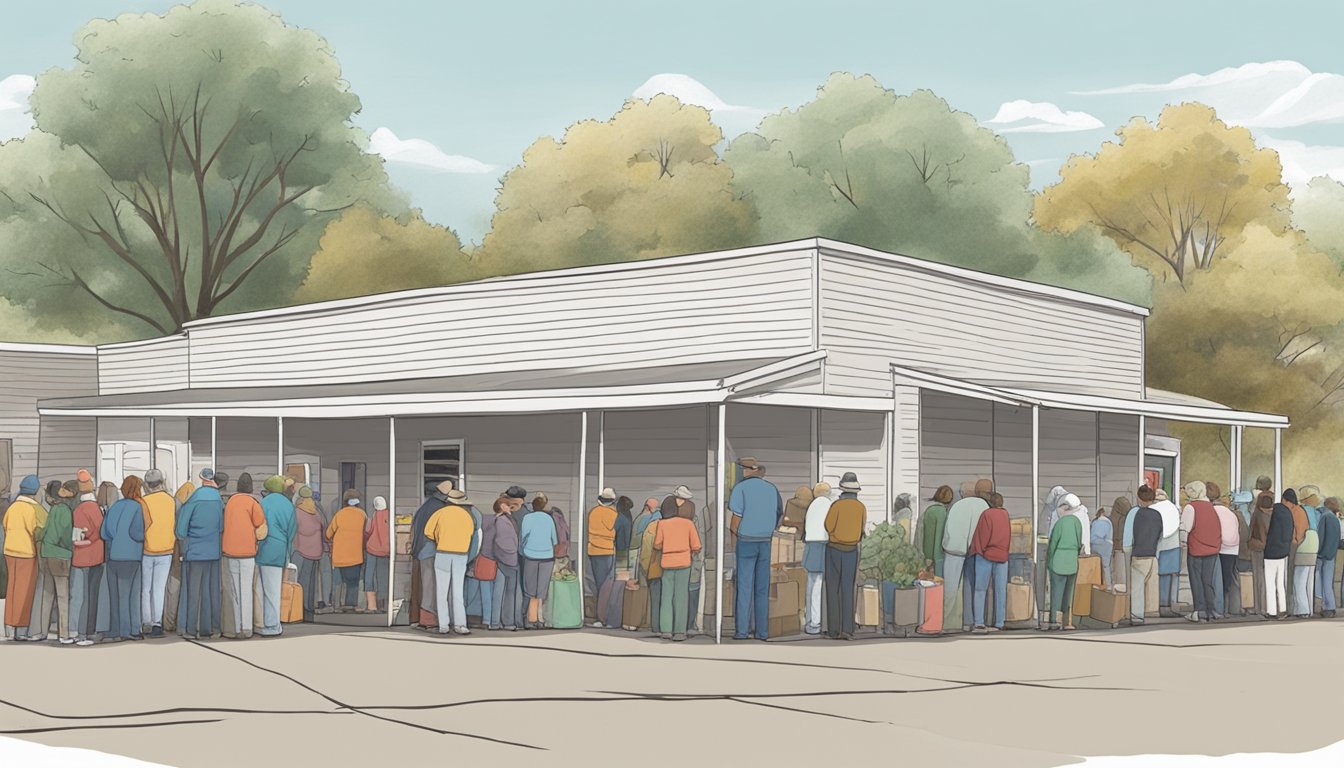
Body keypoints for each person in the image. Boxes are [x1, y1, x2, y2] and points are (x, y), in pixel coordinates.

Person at [728, 457, 782, 641]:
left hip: (746, 541)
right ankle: (762, 632)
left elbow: (734, 522)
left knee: (744, 588)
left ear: (745, 470)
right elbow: (778, 514)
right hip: (765, 541)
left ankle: (742, 631)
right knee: (762, 588)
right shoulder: (772, 489)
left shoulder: (740, 489)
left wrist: (735, 539)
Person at [176, 470, 225, 639]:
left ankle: (191, 629)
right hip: (214, 551)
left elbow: (181, 530)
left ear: (201, 479)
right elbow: (221, 526)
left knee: (193, 591)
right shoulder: (218, 499)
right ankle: (212, 628)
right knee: (211, 591)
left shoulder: (195, 497)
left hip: (195, 552)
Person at [222, 472, 267, 638]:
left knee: (234, 591)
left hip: (230, 551)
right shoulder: (252, 503)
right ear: (251, 487)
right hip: (247, 552)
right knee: (246, 590)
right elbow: (261, 528)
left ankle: (236, 627)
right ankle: (247, 628)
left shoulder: (230, 502)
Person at [425, 488, 476, 635]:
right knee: (457, 591)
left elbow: (428, 531)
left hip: (443, 553)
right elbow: (471, 534)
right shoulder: (467, 516)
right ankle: (460, 625)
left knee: (442, 591)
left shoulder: (440, 513)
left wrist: (439, 537)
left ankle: (444, 625)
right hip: (461, 555)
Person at [102, 475, 146, 642]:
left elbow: (104, 532)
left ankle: (116, 629)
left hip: (113, 556)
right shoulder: (136, 507)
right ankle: (131, 629)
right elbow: (137, 533)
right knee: (132, 595)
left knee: (115, 595)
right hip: (131, 556)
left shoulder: (114, 507)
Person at [944, 479, 992, 631]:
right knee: (972, 586)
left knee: (951, 588)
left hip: (954, 550)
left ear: (963, 493)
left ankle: (950, 623)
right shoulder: (983, 506)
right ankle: (969, 620)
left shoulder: (956, 506)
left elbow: (949, 529)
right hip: (975, 551)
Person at [823, 473, 866, 640]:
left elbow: (828, 526)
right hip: (852, 550)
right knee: (848, 589)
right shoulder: (861, 507)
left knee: (833, 589)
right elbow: (862, 528)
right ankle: (848, 629)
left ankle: (834, 630)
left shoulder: (836, 506)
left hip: (834, 549)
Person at [655, 492, 703, 641]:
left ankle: (666, 630)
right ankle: (680, 631)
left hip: (667, 562)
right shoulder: (688, 524)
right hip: (684, 562)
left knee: (666, 597)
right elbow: (697, 545)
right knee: (681, 597)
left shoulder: (661, 524)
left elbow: (657, 544)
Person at [35, 479, 77, 643]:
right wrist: (70, 548)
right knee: (62, 596)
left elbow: (45, 531)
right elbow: (65, 537)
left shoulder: (52, 510)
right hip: (61, 555)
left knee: (47, 595)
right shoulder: (65, 510)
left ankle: (42, 631)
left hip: (46, 554)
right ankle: (64, 634)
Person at [3, 475, 44, 641]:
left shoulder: (12, 508)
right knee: (25, 591)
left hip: (9, 551)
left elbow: (5, 525)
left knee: (11, 589)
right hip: (27, 553)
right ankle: (21, 629)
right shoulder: (34, 509)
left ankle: (8, 627)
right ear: (35, 491)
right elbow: (39, 531)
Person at [255, 476, 296, 636]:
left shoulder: (263, 503)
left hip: (262, 548)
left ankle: (264, 623)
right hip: (279, 549)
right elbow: (291, 531)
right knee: (273, 589)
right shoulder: (288, 505)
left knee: (260, 589)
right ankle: (272, 624)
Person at [139, 468, 176, 638]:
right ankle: (157, 624)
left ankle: (146, 622)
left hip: (147, 549)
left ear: (147, 485)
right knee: (159, 589)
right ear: (162, 482)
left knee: (146, 589)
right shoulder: (171, 501)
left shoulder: (143, 501)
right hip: (166, 550)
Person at [410, 481, 453, 628]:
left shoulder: (425, 506)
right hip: (433, 550)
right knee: (433, 585)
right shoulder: (440, 508)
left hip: (421, 550)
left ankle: (424, 618)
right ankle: (430, 618)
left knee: (426, 584)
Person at [69, 470, 105, 646]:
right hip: (96, 557)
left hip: (80, 558)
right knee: (91, 596)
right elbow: (101, 531)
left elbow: (77, 537)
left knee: (79, 597)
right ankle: (88, 631)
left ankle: (78, 631)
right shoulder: (95, 509)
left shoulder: (78, 510)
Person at [1180, 481, 1221, 622]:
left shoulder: (1191, 507)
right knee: (1208, 581)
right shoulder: (1211, 507)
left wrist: (1182, 542)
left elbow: (1186, 528)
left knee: (1196, 580)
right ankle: (1212, 609)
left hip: (1197, 548)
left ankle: (1199, 610)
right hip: (1212, 549)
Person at [969, 492, 1010, 633]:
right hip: (1002, 556)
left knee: (980, 589)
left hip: (986, 555)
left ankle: (979, 622)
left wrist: (979, 550)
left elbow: (982, 536)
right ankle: (1000, 621)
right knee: (1000, 590)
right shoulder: (1005, 515)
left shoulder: (986, 514)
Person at [519, 493, 558, 630]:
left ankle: (529, 619)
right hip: (547, 556)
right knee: (542, 590)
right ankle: (540, 619)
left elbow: (523, 536)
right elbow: (555, 539)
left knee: (530, 590)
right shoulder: (549, 519)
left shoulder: (527, 518)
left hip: (530, 555)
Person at [326, 489, 367, 613]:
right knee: (353, 582)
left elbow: (328, 534)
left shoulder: (340, 514)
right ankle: (350, 604)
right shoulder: (362, 515)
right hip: (355, 556)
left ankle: (336, 604)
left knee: (338, 582)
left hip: (339, 556)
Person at [1046, 496, 1083, 630]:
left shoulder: (1059, 523)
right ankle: (1067, 621)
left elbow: (1053, 544)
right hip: (1072, 561)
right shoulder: (1077, 522)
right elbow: (1079, 543)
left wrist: (1049, 561)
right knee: (1069, 594)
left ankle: (1055, 621)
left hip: (1058, 560)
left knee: (1056, 593)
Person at [1128, 486, 1163, 625]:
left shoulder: (1134, 513)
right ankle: (1152, 612)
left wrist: (1127, 552)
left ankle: (1137, 615)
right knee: (1152, 586)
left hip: (1138, 554)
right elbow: (1161, 535)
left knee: (1137, 587)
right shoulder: (1157, 514)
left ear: (1138, 497)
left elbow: (1128, 536)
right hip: (1153, 555)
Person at [802, 481, 832, 635]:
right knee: (819, 586)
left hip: (810, 546)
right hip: (822, 546)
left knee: (810, 585)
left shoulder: (812, 505)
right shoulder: (828, 504)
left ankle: (809, 621)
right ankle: (816, 622)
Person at [1208, 482, 1241, 617]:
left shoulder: (1212, 511)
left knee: (1215, 581)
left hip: (1219, 548)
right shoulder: (1230, 512)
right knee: (1227, 581)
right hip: (1232, 549)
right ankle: (1227, 609)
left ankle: (1217, 609)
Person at [586, 488, 619, 622]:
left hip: (594, 551)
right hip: (608, 551)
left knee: (598, 584)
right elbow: (615, 533)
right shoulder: (614, 514)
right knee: (607, 585)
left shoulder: (593, 512)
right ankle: (605, 616)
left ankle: (599, 617)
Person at [490, 497, 521, 631]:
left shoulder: (502, 520)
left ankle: (499, 621)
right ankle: (501, 621)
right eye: (508, 506)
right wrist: (513, 550)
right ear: (502, 506)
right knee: (506, 592)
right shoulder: (503, 521)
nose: (510, 508)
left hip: (506, 559)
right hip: (506, 559)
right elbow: (503, 540)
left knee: (503, 592)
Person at [294, 485, 324, 621]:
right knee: (311, 581)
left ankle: (301, 609)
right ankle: (309, 607)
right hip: (316, 551)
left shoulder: (297, 511)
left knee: (301, 581)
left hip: (302, 550)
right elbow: (325, 526)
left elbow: (293, 530)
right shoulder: (316, 511)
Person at [1153, 489, 1183, 617]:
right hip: (1174, 546)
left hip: (1159, 546)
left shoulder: (1153, 509)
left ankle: (1159, 605)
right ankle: (1171, 604)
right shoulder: (1174, 508)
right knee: (1173, 577)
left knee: (1160, 577)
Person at [637, 499, 665, 634]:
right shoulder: (670, 525)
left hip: (654, 568)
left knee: (655, 598)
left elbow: (646, 551)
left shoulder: (650, 526)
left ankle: (655, 626)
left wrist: (645, 567)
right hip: (673, 567)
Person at [1265, 493, 1295, 619]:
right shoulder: (1288, 513)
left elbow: (1268, 530)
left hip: (1271, 552)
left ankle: (1271, 611)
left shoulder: (1274, 511)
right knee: (1280, 582)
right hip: (1283, 552)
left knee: (1270, 582)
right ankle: (1283, 609)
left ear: (1282, 499)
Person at [361, 495, 391, 614]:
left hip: (372, 550)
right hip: (385, 551)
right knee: (383, 577)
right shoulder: (390, 515)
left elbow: (368, 531)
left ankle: (372, 606)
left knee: (369, 576)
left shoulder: (373, 516)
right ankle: (383, 605)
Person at [1282, 488, 1308, 614]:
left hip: (1292, 545)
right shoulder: (1301, 511)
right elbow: (1304, 528)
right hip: (1302, 545)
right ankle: (1295, 607)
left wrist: (1294, 541)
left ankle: (1289, 607)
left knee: (1289, 576)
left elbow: (1292, 529)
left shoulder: (1290, 511)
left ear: (1287, 500)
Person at [1248, 490, 1272, 618]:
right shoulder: (1274, 514)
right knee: (1268, 579)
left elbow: (1250, 531)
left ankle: (1259, 607)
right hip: (1271, 549)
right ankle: (1268, 606)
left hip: (1257, 549)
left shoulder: (1257, 513)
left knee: (1258, 578)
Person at [1317, 497, 1341, 618]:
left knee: (1323, 582)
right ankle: (1331, 606)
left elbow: (1320, 536)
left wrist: (1318, 551)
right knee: (1328, 581)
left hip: (1322, 555)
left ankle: (1327, 607)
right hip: (1332, 555)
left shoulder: (1324, 516)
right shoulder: (1335, 519)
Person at [1108, 496, 1133, 584]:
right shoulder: (1129, 518)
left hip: (1116, 549)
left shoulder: (1112, 518)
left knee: (1118, 574)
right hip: (1123, 549)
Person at [1091, 504, 1114, 586]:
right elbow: (1102, 534)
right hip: (1105, 545)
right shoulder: (1107, 522)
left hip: (1094, 544)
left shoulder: (1095, 522)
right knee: (1106, 566)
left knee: (1095, 566)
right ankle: (1107, 585)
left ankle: (1095, 584)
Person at [614, 496, 634, 570]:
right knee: (623, 571)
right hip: (627, 547)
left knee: (620, 571)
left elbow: (614, 531)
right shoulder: (628, 516)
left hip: (620, 548)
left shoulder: (620, 518)